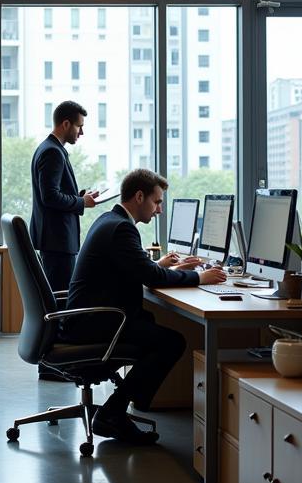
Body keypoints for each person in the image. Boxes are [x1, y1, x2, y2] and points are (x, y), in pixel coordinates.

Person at [66, 168, 226, 445]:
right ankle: (115, 412)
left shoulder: (110, 220)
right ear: (139, 197)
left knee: (150, 322)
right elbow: (150, 277)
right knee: (172, 342)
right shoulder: (121, 228)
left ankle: (124, 405)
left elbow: (136, 269)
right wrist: (200, 277)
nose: (160, 210)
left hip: (88, 318)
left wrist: (161, 265)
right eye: (157, 202)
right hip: (96, 324)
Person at [30, 100, 100, 292]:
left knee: (59, 297)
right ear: (66, 124)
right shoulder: (52, 152)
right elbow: (50, 197)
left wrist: (80, 197)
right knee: (61, 300)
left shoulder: (50, 148)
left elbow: (53, 192)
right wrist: (81, 202)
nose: (82, 132)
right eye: (79, 126)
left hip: (54, 241)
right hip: (57, 242)